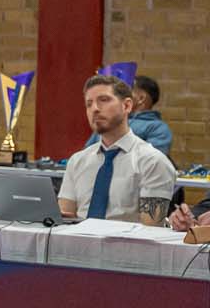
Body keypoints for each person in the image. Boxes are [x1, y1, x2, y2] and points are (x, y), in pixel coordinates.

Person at [59, 74, 177, 223]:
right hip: (76, 237)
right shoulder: (77, 161)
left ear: (127, 106)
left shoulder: (153, 162)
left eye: (104, 100)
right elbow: (63, 219)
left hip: (128, 238)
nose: (95, 109)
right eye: (89, 104)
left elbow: (151, 229)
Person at [85, 74, 174, 160]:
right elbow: (86, 157)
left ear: (141, 98)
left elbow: (151, 161)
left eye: (126, 91)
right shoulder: (109, 123)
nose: (120, 94)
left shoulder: (157, 128)